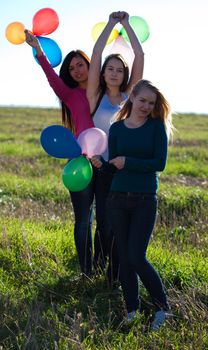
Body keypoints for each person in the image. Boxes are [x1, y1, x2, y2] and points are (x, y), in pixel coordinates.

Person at [91, 79, 173, 330]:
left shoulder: (157, 128)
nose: (146, 106)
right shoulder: (116, 129)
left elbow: (159, 164)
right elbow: (113, 168)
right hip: (116, 199)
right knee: (125, 258)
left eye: (151, 103)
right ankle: (132, 309)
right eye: (142, 101)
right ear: (132, 98)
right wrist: (101, 165)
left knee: (137, 256)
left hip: (144, 200)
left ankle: (163, 309)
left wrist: (129, 162)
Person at [24, 30, 94, 276]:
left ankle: (106, 268)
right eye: (72, 67)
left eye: (81, 65)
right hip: (79, 163)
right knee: (83, 220)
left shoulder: (107, 92)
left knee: (107, 223)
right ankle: (87, 271)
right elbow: (51, 76)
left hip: (105, 162)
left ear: (90, 65)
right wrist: (38, 50)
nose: (76, 70)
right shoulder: (70, 94)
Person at [87, 11, 144, 284]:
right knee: (104, 223)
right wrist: (110, 25)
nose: (114, 73)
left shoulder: (129, 97)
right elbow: (96, 54)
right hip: (98, 166)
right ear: (103, 73)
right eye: (110, 69)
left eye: (119, 70)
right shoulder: (95, 95)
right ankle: (99, 268)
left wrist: (127, 25)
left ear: (125, 75)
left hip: (121, 168)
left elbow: (140, 57)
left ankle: (115, 274)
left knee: (119, 224)